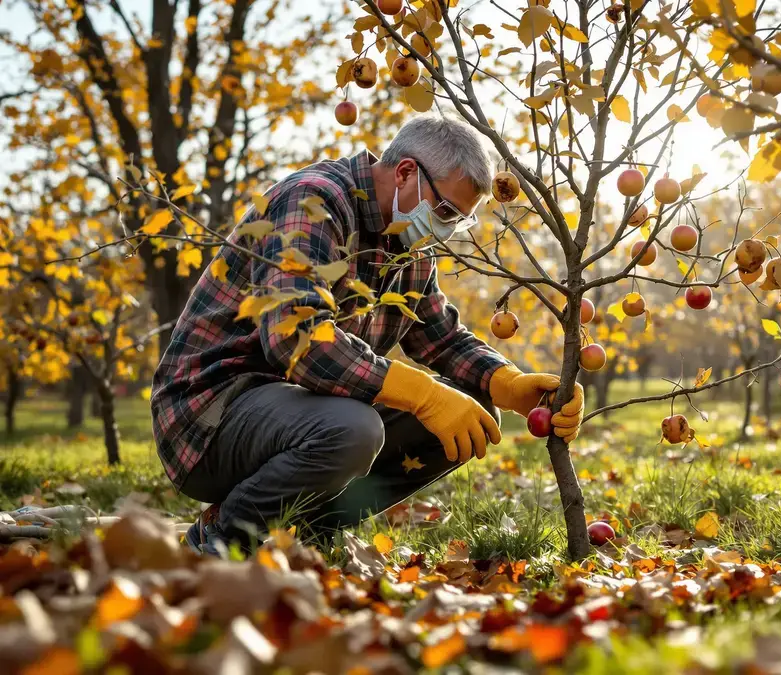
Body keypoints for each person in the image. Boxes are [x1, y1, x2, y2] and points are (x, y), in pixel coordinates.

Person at [151, 114, 583, 555]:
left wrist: (508, 383)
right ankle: (223, 537)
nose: (448, 229)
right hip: (208, 414)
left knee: (471, 410)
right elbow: (295, 337)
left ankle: (308, 537)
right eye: (447, 211)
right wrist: (422, 393)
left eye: (460, 221)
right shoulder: (313, 202)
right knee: (355, 429)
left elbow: (439, 336)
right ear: (405, 172)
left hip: (292, 412)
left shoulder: (407, 247)